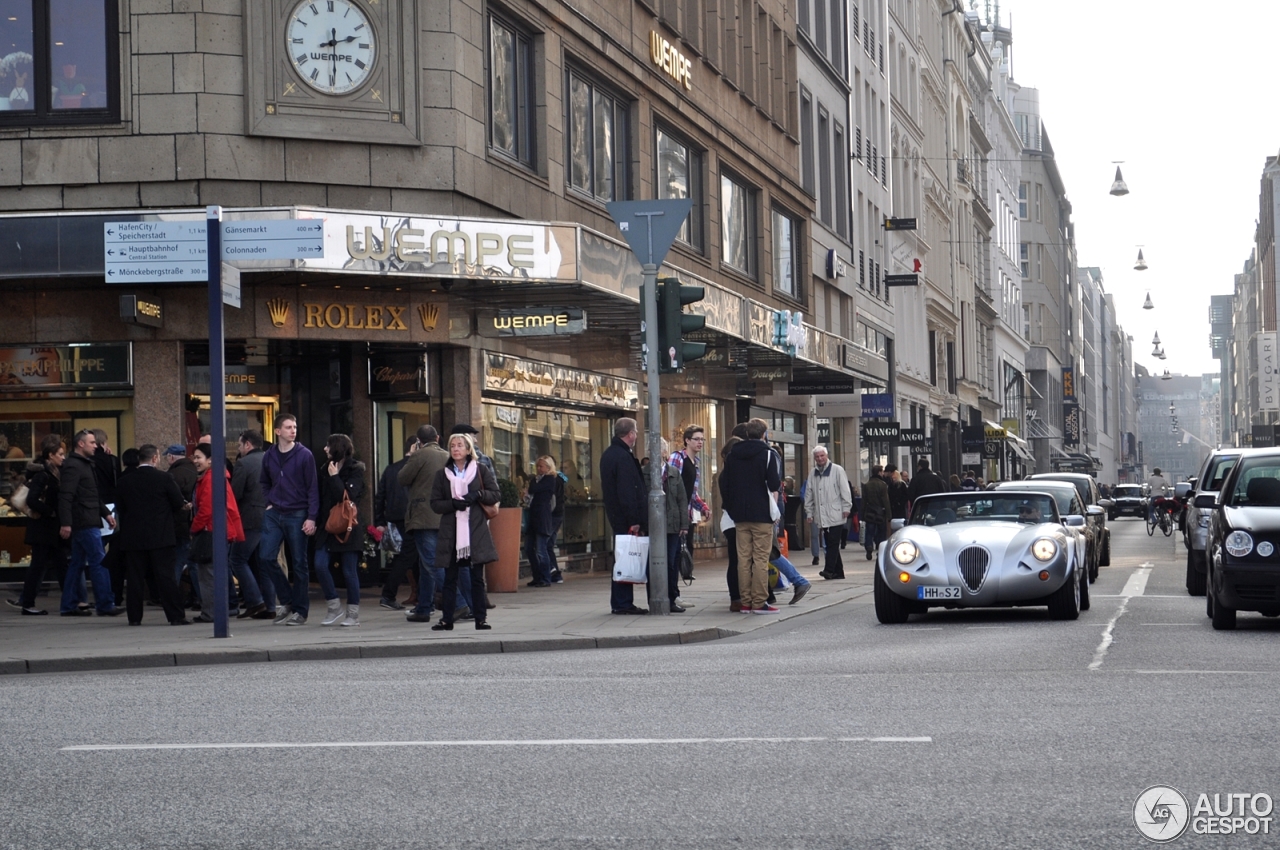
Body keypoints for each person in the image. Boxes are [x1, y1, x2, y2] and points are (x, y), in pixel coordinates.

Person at [113, 444, 190, 626]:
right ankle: (175, 616)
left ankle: (134, 618)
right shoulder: (164, 478)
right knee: (166, 577)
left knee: (135, 579)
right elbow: (178, 502)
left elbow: (120, 508)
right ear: (155, 458)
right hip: (161, 535)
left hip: (133, 537)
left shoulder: (125, 481)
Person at [429, 433, 498, 631]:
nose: (456, 449)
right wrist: (452, 504)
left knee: (476, 578)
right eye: (452, 445)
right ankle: (447, 620)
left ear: (469, 449)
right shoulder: (442, 474)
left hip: (474, 532)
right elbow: (435, 504)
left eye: (460, 445)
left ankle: (480, 619)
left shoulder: (480, 470)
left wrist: (477, 494)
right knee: (450, 578)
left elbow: (495, 493)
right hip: (452, 534)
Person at [258, 414, 320, 626]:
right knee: (265, 557)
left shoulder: (305, 455)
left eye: (294, 427)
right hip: (274, 512)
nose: (293, 430)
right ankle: (287, 601)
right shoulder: (269, 455)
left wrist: (311, 517)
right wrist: (269, 501)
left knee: (300, 563)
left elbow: (312, 487)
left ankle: (300, 611)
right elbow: (264, 481)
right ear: (277, 431)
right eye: (288, 427)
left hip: (298, 512)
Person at [57, 429, 121, 616]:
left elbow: (93, 494)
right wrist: (66, 523)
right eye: (92, 442)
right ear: (81, 444)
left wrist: (106, 514)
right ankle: (105, 604)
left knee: (77, 563)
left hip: (88, 518)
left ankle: (68, 605)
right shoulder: (74, 466)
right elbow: (66, 496)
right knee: (99, 561)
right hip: (83, 521)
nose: (96, 446)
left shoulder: (85, 464)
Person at [720, 418, 781, 614]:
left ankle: (745, 602)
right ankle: (759, 602)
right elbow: (774, 484)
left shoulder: (733, 455)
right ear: (763, 434)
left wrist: (732, 509)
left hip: (740, 516)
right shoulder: (768, 454)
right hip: (761, 513)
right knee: (761, 560)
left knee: (743, 560)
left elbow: (726, 485)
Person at [399, 425, 455, 623]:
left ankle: (459, 603)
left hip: (423, 517)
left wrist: (410, 456)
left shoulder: (420, 455)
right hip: (443, 515)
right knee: (426, 564)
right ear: (438, 437)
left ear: (418, 441)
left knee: (432, 563)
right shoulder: (447, 455)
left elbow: (402, 478)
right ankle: (424, 607)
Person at [311, 433, 366, 627]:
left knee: (349, 571)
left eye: (328, 445)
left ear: (337, 448)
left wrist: (335, 478)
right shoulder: (324, 469)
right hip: (327, 525)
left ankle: (353, 613)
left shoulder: (356, 469)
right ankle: (334, 606)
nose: (325, 449)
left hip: (348, 526)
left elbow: (348, 497)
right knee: (319, 564)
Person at [11, 435, 69, 615]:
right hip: (43, 529)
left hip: (50, 530)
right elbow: (32, 500)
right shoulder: (43, 475)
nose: (63, 457)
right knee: (39, 567)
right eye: (60, 454)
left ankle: (70, 601)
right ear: (50, 455)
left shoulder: (54, 473)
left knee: (61, 566)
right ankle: (28, 603)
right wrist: (50, 512)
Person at [189, 442, 246, 623]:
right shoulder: (214, 477)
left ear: (210, 460)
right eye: (194, 457)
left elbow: (206, 509)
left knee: (208, 575)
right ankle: (217, 610)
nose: (195, 460)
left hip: (211, 532)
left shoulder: (211, 478)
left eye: (198, 457)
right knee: (213, 573)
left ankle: (212, 613)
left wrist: (194, 527)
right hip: (217, 530)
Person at [600, 417, 649, 615]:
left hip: (615, 514)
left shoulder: (610, 454)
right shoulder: (622, 456)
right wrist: (634, 520)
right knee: (624, 558)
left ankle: (621, 601)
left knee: (622, 557)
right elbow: (627, 491)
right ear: (630, 434)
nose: (637, 435)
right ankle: (622, 602)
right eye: (636, 431)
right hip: (624, 517)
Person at [231, 430, 273, 619]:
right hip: (271, 517)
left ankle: (256, 602)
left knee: (237, 559)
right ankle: (269, 606)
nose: (239, 449)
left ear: (248, 445)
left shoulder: (243, 463)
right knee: (261, 563)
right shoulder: (272, 460)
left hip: (249, 519)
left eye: (240, 445)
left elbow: (235, 494)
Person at [377, 435, 419, 610]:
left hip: (395, 518)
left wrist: (380, 520)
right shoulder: (416, 468)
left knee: (414, 556)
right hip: (413, 517)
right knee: (408, 556)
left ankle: (422, 595)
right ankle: (388, 594)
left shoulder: (391, 468)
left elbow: (380, 496)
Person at [804, 445, 853, 579]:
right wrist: (809, 512)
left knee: (832, 543)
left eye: (822, 456)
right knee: (831, 542)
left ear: (827, 456)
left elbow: (845, 490)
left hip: (836, 513)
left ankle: (829, 570)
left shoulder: (837, 470)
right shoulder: (813, 473)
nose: (820, 459)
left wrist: (846, 508)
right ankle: (839, 572)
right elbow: (809, 494)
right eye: (817, 457)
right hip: (821, 515)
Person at [164, 444, 198, 608]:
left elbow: (170, 501)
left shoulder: (172, 475)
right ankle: (198, 597)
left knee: (177, 562)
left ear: (171, 457)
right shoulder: (196, 471)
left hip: (179, 525)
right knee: (193, 563)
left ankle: (172, 598)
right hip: (194, 524)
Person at [660, 440, 689, 613]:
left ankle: (671, 598)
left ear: (665, 453)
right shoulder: (645, 473)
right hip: (653, 527)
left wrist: (683, 524)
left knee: (671, 562)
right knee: (655, 563)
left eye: (659, 450)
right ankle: (656, 598)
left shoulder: (673, 473)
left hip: (672, 525)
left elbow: (682, 499)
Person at [524, 456, 557, 588]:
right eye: (537, 466)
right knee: (528, 548)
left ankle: (545, 577)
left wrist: (533, 486)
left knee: (541, 549)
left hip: (542, 518)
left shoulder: (550, 479)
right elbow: (532, 488)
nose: (538, 469)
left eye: (541, 466)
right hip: (533, 517)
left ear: (548, 468)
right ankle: (537, 576)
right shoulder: (535, 479)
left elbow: (533, 489)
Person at [861, 465, 891, 562]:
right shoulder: (883, 485)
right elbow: (885, 500)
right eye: (882, 472)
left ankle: (869, 546)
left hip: (869, 512)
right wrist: (889, 514)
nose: (883, 473)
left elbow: (864, 501)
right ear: (878, 472)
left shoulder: (867, 485)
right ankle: (880, 550)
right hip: (880, 513)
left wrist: (862, 514)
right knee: (881, 532)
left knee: (869, 532)